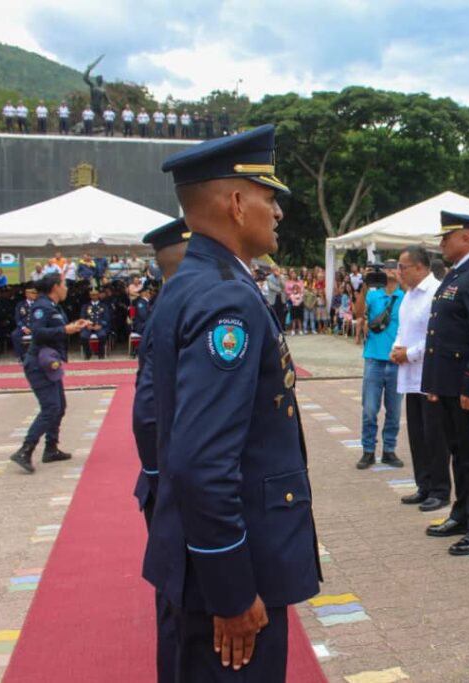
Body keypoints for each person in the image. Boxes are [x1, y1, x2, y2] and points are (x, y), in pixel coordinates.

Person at [144, 124, 319, 680]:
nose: (278, 212)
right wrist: (232, 591)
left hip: (198, 555)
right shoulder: (226, 298)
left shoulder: (189, 282)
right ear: (238, 203)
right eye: (270, 197)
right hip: (233, 573)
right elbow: (202, 462)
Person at [132, 217, 190, 683]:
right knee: (180, 602)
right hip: (170, 479)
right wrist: (159, 476)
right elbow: (148, 409)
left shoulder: (168, 299)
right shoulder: (176, 303)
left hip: (164, 474)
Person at [422, 211, 469, 555]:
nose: (441, 243)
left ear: (466, 238)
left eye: (446, 237)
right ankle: (463, 513)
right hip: (449, 384)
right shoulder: (457, 275)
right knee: (459, 453)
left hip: (464, 386)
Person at [9, 274, 90, 473]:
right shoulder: (41, 306)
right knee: (50, 407)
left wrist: (71, 326)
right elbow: (37, 332)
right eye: (64, 285)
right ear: (55, 286)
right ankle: (25, 450)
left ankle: (51, 448)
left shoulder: (53, 306)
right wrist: (65, 329)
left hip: (50, 362)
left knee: (59, 406)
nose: (66, 288)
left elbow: (55, 329)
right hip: (38, 363)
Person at [390, 245, 445, 508]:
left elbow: (435, 336)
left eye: (403, 267)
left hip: (429, 374)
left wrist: (409, 353)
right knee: (416, 435)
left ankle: (439, 489)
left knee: (434, 436)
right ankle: (423, 484)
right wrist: (396, 348)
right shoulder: (408, 296)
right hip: (409, 376)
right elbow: (403, 329)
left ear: (420, 267)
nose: (399, 272)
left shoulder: (436, 292)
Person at [357, 265, 405, 469]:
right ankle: (368, 451)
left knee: (394, 411)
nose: (389, 271)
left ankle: (389, 450)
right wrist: (365, 285)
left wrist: (400, 280)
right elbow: (358, 312)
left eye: (394, 267)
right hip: (374, 358)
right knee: (369, 409)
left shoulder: (405, 296)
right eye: (387, 268)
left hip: (396, 360)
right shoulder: (373, 295)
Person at [80, 289, 110, 359]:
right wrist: (87, 325)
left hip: (99, 327)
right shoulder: (85, 306)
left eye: (96, 295)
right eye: (92, 295)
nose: (94, 296)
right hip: (88, 327)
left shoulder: (104, 306)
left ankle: (100, 354)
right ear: (90, 296)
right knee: (83, 336)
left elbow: (107, 318)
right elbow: (82, 318)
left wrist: (100, 325)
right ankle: (88, 354)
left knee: (102, 335)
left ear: (98, 295)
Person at [11, 287, 37, 362]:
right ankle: (21, 355)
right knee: (15, 335)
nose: (35, 295)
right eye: (32, 293)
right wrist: (23, 327)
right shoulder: (20, 305)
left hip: (35, 327)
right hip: (24, 327)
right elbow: (17, 318)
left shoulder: (38, 304)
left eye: (35, 293)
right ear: (27, 294)